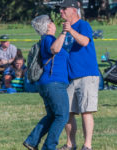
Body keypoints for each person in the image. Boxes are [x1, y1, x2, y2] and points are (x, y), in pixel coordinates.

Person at [52, 0, 99, 150]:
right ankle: (70, 144)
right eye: (60, 9)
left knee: (86, 111)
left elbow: (85, 41)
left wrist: (70, 30)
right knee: (68, 113)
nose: (61, 12)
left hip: (86, 74)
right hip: (70, 77)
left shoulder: (83, 25)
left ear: (73, 9)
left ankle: (87, 145)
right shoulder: (65, 30)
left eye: (63, 9)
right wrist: (63, 32)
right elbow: (58, 51)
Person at [23, 15, 70, 150]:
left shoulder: (47, 39)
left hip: (48, 84)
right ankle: (49, 147)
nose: (55, 24)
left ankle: (32, 141)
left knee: (52, 116)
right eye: (52, 22)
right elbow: (55, 49)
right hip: (54, 83)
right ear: (49, 26)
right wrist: (64, 32)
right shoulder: (49, 39)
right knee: (62, 116)